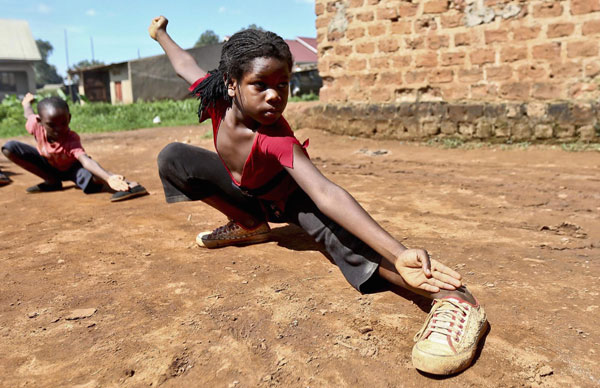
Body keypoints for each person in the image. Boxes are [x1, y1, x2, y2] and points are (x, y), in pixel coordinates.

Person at [149, 15, 488, 375]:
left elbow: (326, 193)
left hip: (291, 201)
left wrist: (399, 252)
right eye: (260, 84)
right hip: (248, 193)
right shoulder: (216, 97)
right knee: (173, 157)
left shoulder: (275, 138)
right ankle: (249, 224)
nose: (274, 95)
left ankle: (453, 299)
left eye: (283, 84)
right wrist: (160, 35)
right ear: (232, 84)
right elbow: (184, 63)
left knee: (338, 237)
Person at [1, 93, 148, 202]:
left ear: (69, 118)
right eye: (52, 125)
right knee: (9, 148)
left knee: (92, 179)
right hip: (49, 165)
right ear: (40, 122)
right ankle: (52, 181)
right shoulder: (35, 125)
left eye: (63, 123)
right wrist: (26, 103)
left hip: (73, 169)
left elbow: (85, 161)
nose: (59, 129)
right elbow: (29, 114)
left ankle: (131, 185)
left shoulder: (71, 139)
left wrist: (109, 178)